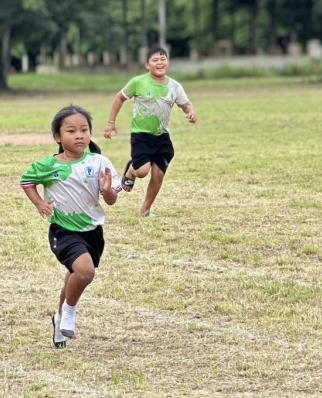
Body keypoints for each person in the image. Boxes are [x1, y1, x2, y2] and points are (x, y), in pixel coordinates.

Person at [21, 104, 121, 349]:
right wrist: (38, 203)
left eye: (84, 130)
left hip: (93, 232)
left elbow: (111, 199)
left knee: (75, 275)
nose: (79, 135)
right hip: (63, 230)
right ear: (57, 137)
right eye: (71, 131)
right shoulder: (48, 165)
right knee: (85, 272)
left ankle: (58, 319)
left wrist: (108, 190)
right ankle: (68, 313)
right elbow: (26, 181)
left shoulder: (100, 162)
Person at [103, 47, 195, 217]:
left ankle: (145, 210)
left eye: (163, 59)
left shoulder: (174, 86)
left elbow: (185, 104)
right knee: (142, 172)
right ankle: (131, 170)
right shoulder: (138, 82)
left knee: (158, 174)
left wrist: (190, 112)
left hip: (162, 136)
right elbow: (119, 97)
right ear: (147, 65)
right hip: (141, 135)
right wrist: (111, 123)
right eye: (155, 60)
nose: (160, 62)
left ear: (168, 62)